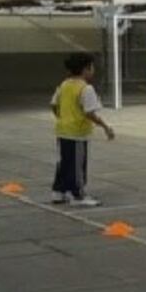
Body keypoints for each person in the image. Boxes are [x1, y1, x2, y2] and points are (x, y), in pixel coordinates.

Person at [50, 53, 115, 207]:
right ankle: (77, 194)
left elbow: (53, 104)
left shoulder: (64, 85)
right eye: (92, 67)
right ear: (85, 69)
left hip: (62, 131)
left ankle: (58, 192)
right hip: (77, 133)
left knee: (64, 162)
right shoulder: (86, 88)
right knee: (77, 165)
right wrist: (105, 126)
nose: (93, 70)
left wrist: (62, 117)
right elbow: (89, 112)